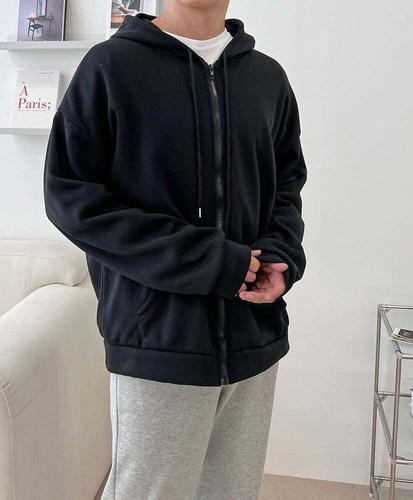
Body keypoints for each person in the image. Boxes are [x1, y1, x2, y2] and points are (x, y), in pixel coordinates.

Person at [43, 0, 307, 498]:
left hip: (254, 336)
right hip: (157, 337)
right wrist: (212, 261)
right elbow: (71, 198)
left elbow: (287, 185)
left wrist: (282, 255)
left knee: (231, 493)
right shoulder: (110, 67)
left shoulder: (267, 77)